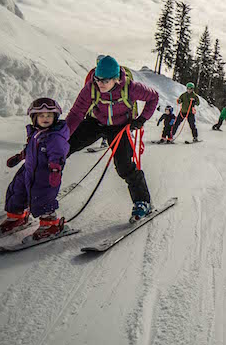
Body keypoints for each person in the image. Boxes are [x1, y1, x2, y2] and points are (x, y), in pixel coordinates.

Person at [64, 55, 159, 221]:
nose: (100, 83)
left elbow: (153, 97)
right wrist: (61, 137)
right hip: (95, 122)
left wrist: (142, 119)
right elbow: (76, 113)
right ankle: (39, 194)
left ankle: (142, 202)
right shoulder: (91, 88)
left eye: (105, 80)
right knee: (63, 148)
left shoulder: (131, 88)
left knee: (125, 166)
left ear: (116, 79)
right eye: (98, 79)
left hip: (120, 127)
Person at [0, 97, 70, 239]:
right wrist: (20, 157)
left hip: (45, 175)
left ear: (55, 117)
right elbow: (31, 149)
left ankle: (51, 224)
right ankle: (16, 217)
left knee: (42, 199)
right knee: (16, 191)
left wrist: (55, 170)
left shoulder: (55, 137)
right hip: (28, 170)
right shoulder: (35, 133)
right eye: (41, 115)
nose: (45, 118)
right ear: (34, 118)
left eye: (49, 116)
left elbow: (58, 155)